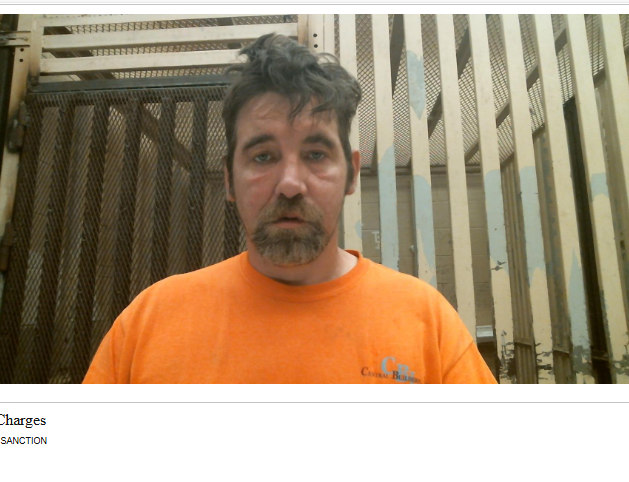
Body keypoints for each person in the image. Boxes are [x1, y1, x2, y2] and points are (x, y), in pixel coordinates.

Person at [83, 34, 496, 384]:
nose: (291, 184)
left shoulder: (427, 322)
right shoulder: (150, 321)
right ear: (229, 179)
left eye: (316, 154)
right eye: (263, 156)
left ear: (351, 174)